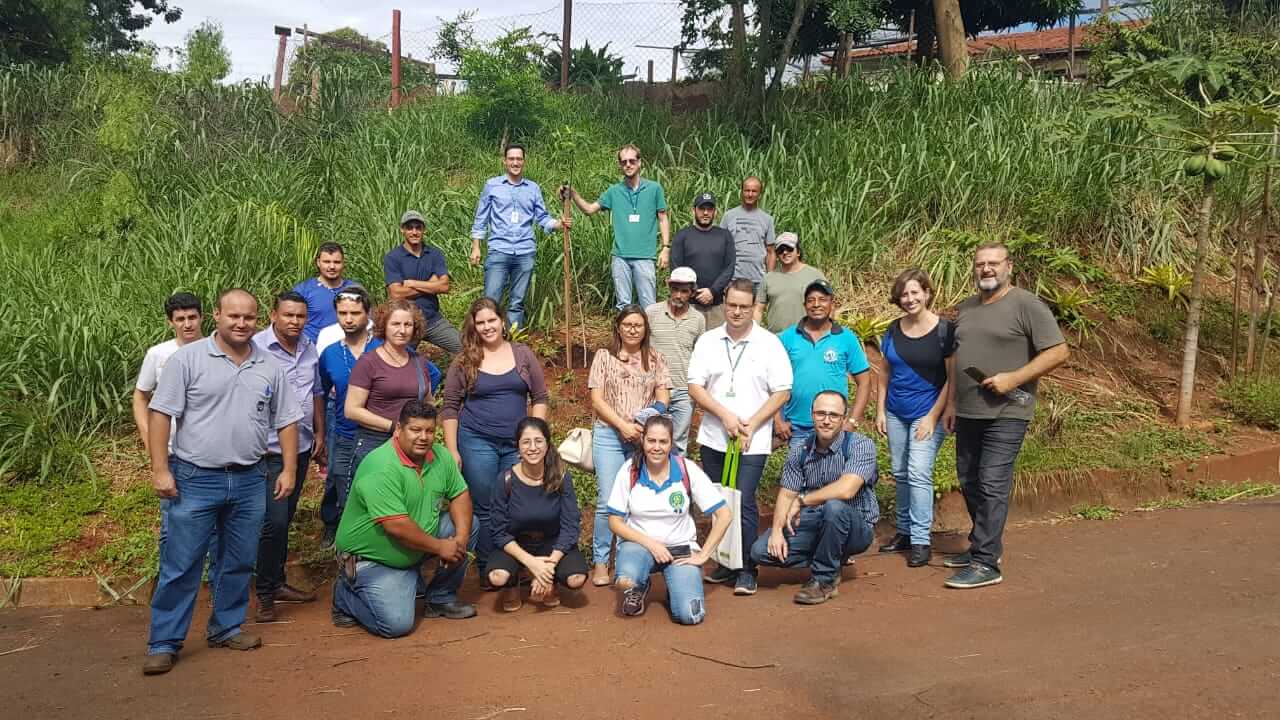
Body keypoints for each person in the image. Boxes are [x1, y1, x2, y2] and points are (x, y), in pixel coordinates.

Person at [142, 289, 303, 676]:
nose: (241, 323)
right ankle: (164, 642)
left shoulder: (269, 366)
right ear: (216, 315)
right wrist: (161, 469)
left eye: (248, 317)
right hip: (195, 477)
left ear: (258, 319)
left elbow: (287, 420)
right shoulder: (187, 360)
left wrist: (289, 470)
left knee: (237, 561)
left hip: (250, 478)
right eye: (233, 316)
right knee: (182, 564)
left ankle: (227, 627)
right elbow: (161, 414)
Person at [943, 242, 1069, 589]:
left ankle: (986, 563)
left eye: (993, 263)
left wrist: (1013, 378)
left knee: (991, 481)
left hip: (1010, 409)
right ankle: (984, 545)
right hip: (969, 411)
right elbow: (956, 359)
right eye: (980, 264)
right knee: (968, 479)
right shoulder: (966, 308)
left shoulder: (1026, 304)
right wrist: (952, 403)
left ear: (1008, 266)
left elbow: (1058, 351)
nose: (986, 269)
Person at [332, 401, 478, 637]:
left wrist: (459, 540)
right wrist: (442, 547)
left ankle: (440, 597)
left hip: (412, 547)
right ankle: (344, 595)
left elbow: (460, 495)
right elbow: (396, 526)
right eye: (415, 430)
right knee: (396, 625)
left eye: (429, 431)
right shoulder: (380, 465)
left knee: (468, 526)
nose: (423, 437)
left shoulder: (440, 456)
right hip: (372, 559)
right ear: (399, 429)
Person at [688, 279, 792, 596]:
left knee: (743, 499)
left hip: (752, 440)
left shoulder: (769, 343)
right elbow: (695, 386)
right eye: (731, 305)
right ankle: (725, 561)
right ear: (724, 302)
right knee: (719, 501)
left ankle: (747, 567)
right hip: (714, 437)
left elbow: (782, 391)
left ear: (753, 308)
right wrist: (724, 415)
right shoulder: (708, 340)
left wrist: (752, 423)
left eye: (743, 307)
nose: (736, 312)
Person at [441, 297, 550, 581]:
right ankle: (491, 568)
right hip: (477, 441)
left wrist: (535, 435)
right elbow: (450, 406)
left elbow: (539, 396)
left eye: (492, 320)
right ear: (474, 327)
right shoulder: (465, 360)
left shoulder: (522, 353)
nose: (488, 327)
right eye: (481, 322)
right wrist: (452, 449)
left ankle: (523, 564)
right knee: (487, 506)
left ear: (502, 321)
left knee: (520, 503)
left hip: (518, 445)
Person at [751, 391, 879, 605]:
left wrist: (802, 501)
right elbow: (786, 493)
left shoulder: (860, 445)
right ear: (812, 415)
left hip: (856, 527)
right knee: (761, 551)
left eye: (834, 415)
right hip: (815, 522)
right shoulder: (800, 449)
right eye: (820, 413)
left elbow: (847, 489)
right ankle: (831, 556)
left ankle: (824, 580)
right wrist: (776, 532)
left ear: (844, 418)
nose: (826, 420)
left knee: (834, 507)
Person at [607, 416, 732, 624]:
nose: (656, 447)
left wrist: (703, 555)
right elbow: (614, 521)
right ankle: (639, 585)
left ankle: (677, 588)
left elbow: (724, 514)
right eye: (651, 441)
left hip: (681, 550)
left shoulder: (686, 469)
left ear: (671, 443)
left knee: (690, 615)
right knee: (626, 578)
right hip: (639, 547)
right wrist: (652, 544)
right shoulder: (630, 471)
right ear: (643, 440)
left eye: (663, 442)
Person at [252, 291, 326, 622]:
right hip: (268, 450)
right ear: (273, 315)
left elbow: (317, 393)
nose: (294, 321)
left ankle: (276, 581)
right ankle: (264, 593)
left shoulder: (309, 347)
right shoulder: (255, 348)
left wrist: (320, 432)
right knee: (274, 521)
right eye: (288, 315)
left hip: (302, 446)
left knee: (284, 520)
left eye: (300, 316)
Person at [588, 305, 673, 586]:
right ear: (618, 327)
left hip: (642, 438)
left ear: (646, 329)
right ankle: (601, 561)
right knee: (607, 500)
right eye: (627, 324)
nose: (633, 329)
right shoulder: (604, 357)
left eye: (638, 325)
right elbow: (597, 400)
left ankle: (627, 558)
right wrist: (622, 425)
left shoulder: (656, 359)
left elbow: (664, 397)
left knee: (634, 501)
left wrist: (642, 423)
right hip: (609, 434)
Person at [875, 269, 954, 568]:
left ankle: (921, 539)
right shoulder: (894, 328)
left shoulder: (945, 331)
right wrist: (881, 410)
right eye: (904, 294)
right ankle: (905, 532)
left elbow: (952, 378)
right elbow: (885, 371)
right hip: (896, 410)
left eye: (915, 292)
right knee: (900, 471)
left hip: (927, 411)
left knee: (919, 471)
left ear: (927, 293)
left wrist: (936, 416)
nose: (909, 299)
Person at [487, 417, 588, 612]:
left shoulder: (561, 477)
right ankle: (511, 585)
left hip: (552, 544)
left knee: (576, 579)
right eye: (526, 442)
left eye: (538, 441)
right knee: (497, 576)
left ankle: (552, 583)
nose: (533, 447)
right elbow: (499, 532)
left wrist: (547, 569)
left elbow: (570, 526)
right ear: (518, 446)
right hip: (516, 545)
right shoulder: (505, 479)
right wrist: (532, 563)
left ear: (548, 444)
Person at [470, 143, 571, 329]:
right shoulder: (492, 185)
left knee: (517, 303)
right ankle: (487, 344)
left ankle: (513, 345)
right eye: (511, 159)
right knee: (490, 301)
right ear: (504, 161)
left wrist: (558, 223)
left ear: (524, 162)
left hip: (525, 251)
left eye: (519, 159)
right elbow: (481, 218)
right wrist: (476, 246)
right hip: (499, 250)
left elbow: (542, 217)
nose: (515, 162)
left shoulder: (533, 188)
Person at [345, 300, 443, 481]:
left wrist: (426, 430)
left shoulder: (419, 361)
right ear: (384, 326)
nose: (402, 330)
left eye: (408, 324)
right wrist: (394, 427)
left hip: (412, 445)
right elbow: (352, 410)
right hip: (375, 442)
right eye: (396, 324)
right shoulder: (368, 362)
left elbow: (428, 401)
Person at [563, 144, 670, 309]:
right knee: (623, 306)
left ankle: (649, 336)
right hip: (620, 257)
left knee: (649, 306)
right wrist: (574, 194)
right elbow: (590, 210)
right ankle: (622, 335)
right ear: (620, 165)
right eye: (624, 161)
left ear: (639, 163)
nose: (628, 165)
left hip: (645, 256)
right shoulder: (614, 191)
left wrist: (665, 247)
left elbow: (663, 219)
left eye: (632, 161)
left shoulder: (654, 189)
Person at [317, 286, 382, 548]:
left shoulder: (383, 347)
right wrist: (320, 432)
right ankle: (335, 528)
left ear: (368, 314)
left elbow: (427, 374)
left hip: (379, 432)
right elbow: (320, 391)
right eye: (342, 313)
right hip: (343, 430)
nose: (348, 319)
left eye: (355, 313)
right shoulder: (330, 353)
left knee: (374, 482)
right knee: (338, 477)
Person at [776, 280, 873, 450]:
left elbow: (864, 382)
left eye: (822, 299)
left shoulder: (846, 338)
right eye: (811, 300)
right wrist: (778, 420)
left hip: (833, 427)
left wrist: (851, 421)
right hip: (797, 427)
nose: (816, 304)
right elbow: (771, 381)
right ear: (804, 305)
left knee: (832, 474)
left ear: (831, 303)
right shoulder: (787, 337)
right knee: (800, 472)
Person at [133, 292, 204, 455]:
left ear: (202, 317)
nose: (187, 324)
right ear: (170, 322)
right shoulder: (157, 354)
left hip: (208, 451)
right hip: (169, 450)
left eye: (192, 317)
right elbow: (140, 396)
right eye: (180, 319)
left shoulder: (216, 351)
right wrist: (149, 439)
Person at [384, 210, 462, 355]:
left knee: (466, 349)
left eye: (418, 227)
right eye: (410, 228)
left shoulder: (434, 254)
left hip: (432, 319)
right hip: (406, 323)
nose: (414, 232)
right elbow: (396, 293)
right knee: (394, 359)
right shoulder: (393, 257)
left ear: (423, 229)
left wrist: (413, 283)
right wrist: (431, 285)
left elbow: (444, 286)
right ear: (402, 230)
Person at [645, 266, 705, 454]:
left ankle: (677, 480)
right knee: (649, 439)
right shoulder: (652, 313)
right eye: (675, 289)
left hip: (683, 390)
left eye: (684, 291)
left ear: (692, 292)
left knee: (678, 443)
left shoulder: (698, 319)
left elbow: (699, 354)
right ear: (669, 288)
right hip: (653, 389)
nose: (678, 295)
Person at [670, 191, 735, 329]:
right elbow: (676, 268)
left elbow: (729, 267)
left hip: (716, 305)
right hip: (689, 305)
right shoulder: (682, 236)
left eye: (709, 209)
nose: (705, 213)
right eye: (701, 209)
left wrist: (712, 291)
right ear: (693, 210)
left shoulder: (724, 236)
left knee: (716, 347)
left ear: (715, 212)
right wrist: (696, 291)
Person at [755, 232, 827, 333]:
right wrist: (755, 333)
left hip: (807, 338)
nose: (785, 252)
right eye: (781, 250)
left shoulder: (815, 275)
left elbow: (829, 305)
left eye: (789, 248)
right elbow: (758, 309)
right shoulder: (768, 278)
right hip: (777, 340)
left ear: (798, 252)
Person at [293, 242, 359, 344]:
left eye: (337, 262)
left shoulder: (355, 290)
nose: (332, 266)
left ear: (343, 263)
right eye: (327, 262)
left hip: (348, 350)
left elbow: (367, 322)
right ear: (318, 262)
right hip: (312, 352)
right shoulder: (303, 291)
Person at [721, 176, 776, 288]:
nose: (750, 194)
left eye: (754, 191)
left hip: (758, 280)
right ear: (742, 192)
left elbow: (771, 252)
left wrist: (769, 279)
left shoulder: (767, 219)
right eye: (747, 190)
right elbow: (720, 247)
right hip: (732, 279)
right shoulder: (728, 216)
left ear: (759, 194)